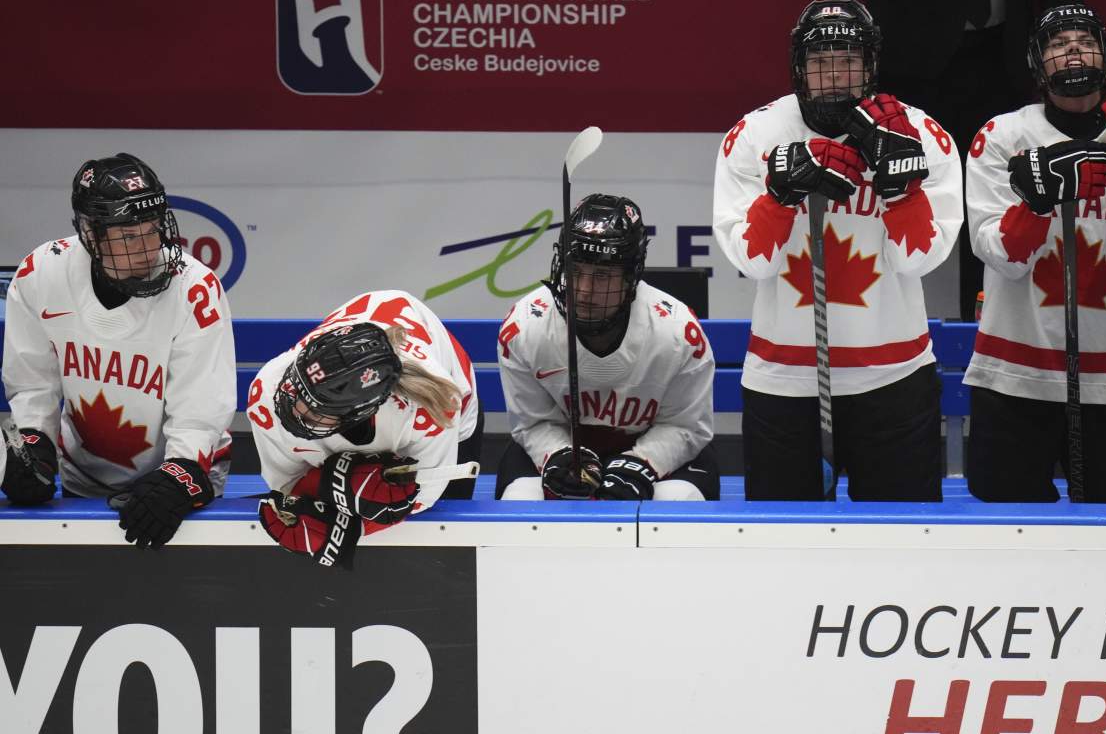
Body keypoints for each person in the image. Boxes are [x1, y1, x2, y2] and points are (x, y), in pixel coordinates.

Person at [712, 0, 963, 502]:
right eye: (820, 61)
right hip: (785, 382)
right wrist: (779, 198)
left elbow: (921, 259)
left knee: (902, 545)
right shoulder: (754, 136)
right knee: (784, 552)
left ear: (870, 65)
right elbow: (749, 260)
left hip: (894, 378)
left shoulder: (919, 135)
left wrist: (902, 189)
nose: (833, 75)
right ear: (798, 68)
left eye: (846, 59)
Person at [964, 4, 1106, 503]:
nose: (1071, 49)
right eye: (1056, 42)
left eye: (1084, 40)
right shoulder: (1003, 136)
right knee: (1004, 540)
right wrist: (1038, 200)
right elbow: (1000, 254)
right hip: (1014, 379)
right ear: (1036, 62)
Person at [1, 153, 236, 548]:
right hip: (83, 474)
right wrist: (35, 440)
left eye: (153, 230)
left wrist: (181, 473)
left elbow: (200, 410)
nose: (148, 248)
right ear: (90, 233)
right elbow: (32, 383)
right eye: (129, 236)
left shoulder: (195, 289)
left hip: (182, 479)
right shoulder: (41, 273)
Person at [867, 0, 1083, 321]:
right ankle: (891, 330)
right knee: (901, 193)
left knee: (995, 198)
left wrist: (1068, 47)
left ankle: (980, 325)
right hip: (915, 56)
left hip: (1004, 54)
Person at [496, 194, 719, 501]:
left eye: (602, 276)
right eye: (576, 272)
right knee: (520, 498)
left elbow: (685, 425)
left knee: (676, 499)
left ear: (630, 278)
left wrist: (641, 464)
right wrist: (558, 456)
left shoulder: (678, 333)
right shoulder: (525, 327)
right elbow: (533, 422)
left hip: (655, 450)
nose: (585, 291)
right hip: (566, 446)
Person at [249, 290, 481, 567]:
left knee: (441, 557)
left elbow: (424, 498)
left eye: (316, 410)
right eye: (298, 390)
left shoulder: (431, 405)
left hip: (454, 412)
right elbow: (288, 483)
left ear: (359, 412)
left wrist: (346, 527)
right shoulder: (269, 387)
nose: (294, 408)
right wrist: (338, 489)